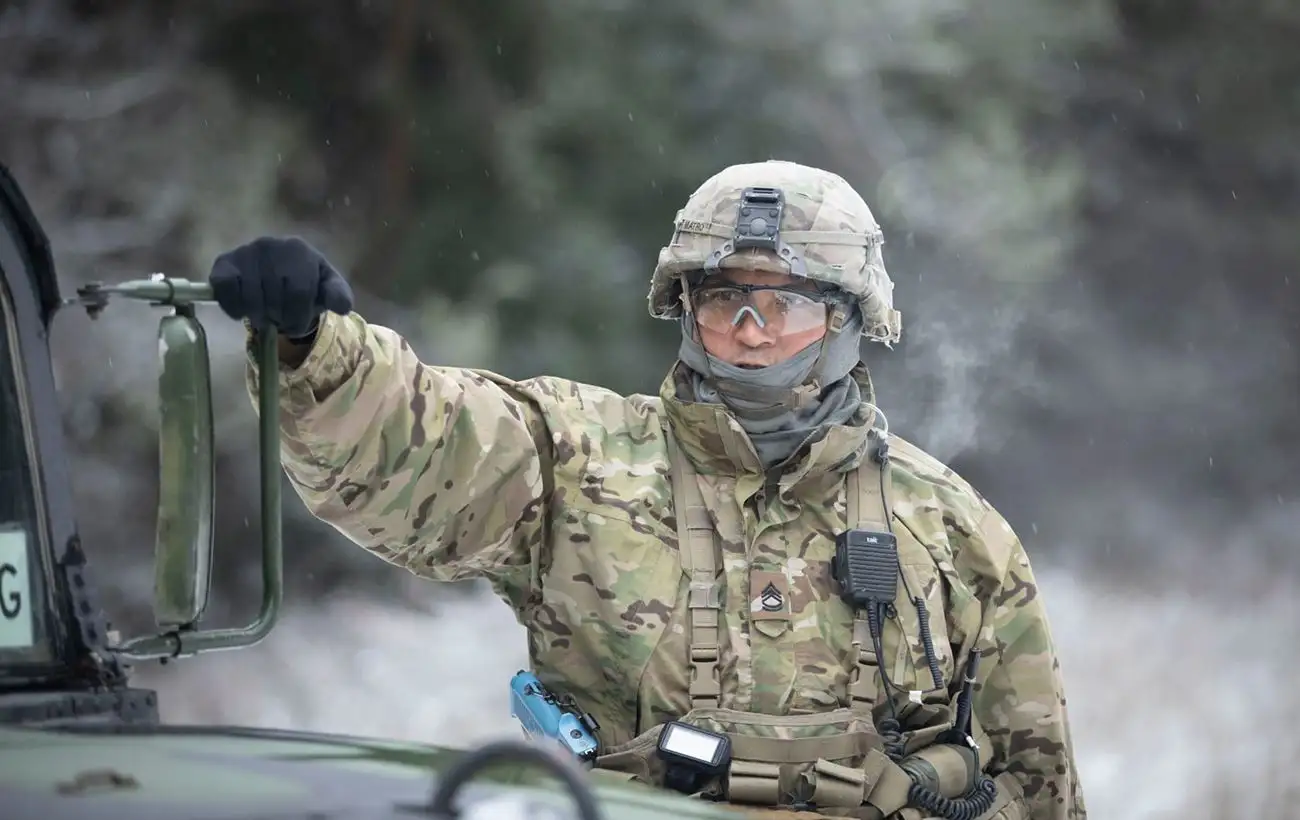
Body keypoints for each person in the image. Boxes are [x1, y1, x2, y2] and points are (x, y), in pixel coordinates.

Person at [209, 160, 1085, 820]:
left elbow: (1040, 784)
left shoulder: (952, 529)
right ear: (684, 306)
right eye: (724, 300)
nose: (748, 332)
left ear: (849, 321)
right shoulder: (578, 461)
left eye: (784, 305)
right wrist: (314, 348)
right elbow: (416, 450)